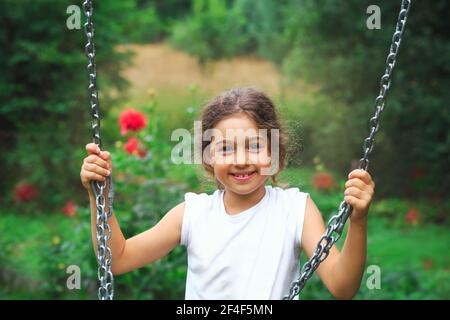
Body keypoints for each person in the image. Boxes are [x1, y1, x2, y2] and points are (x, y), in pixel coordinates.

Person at [80, 87, 375, 299]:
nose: (240, 159)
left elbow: (342, 286)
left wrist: (358, 221)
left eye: (255, 146)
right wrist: (100, 198)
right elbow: (116, 259)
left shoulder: (295, 210)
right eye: (225, 148)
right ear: (209, 159)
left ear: (276, 155)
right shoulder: (193, 214)